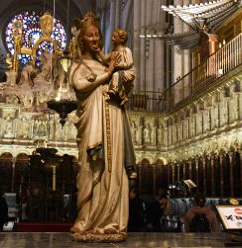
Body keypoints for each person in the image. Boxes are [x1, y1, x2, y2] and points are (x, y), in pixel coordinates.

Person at [69, 12, 136, 242]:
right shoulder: (79, 64)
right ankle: (88, 220)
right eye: (90, 36)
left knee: (113, 167)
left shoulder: (106, 60)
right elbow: (78, 84)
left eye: (98, 35)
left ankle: (111, 222)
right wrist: (105, 75)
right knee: (91, 169)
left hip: (114, 118)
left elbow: (123, 77)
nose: (96, 39)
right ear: (82, 39)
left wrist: (122, 81)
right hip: (93, 123)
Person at [99, 29, 135, 106]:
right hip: (118, 71)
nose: (112, 38)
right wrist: (98, 50)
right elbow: (104, 59)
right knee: (112, 77)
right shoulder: (113, 51)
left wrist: (119, 65)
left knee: (116, 75)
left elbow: (129, 62)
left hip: (127, 71)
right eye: (112, 36)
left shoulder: (126, 50)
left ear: (121, 39)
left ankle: (114, 90)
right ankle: (122, 96)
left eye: (114, 37)